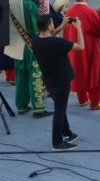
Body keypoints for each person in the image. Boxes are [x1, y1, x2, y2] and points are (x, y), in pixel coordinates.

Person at [33, 12, 84, 151]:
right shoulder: (57, 43)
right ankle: (57, 142)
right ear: (50, 25)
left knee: (60, 106)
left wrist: (60, 28)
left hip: (49, 79)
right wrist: (78, 28)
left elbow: (49, 37)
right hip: (61, 80)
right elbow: (80, 46)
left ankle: (67, 132)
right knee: (60, 110)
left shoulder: (36, 40)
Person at [63, 0, 100, 109]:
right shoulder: (90, 12)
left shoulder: (70, 11)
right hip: (90, 48)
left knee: (78, 71)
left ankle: (83, 99)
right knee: (95, 72)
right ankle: (96, 102)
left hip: (74, 48)